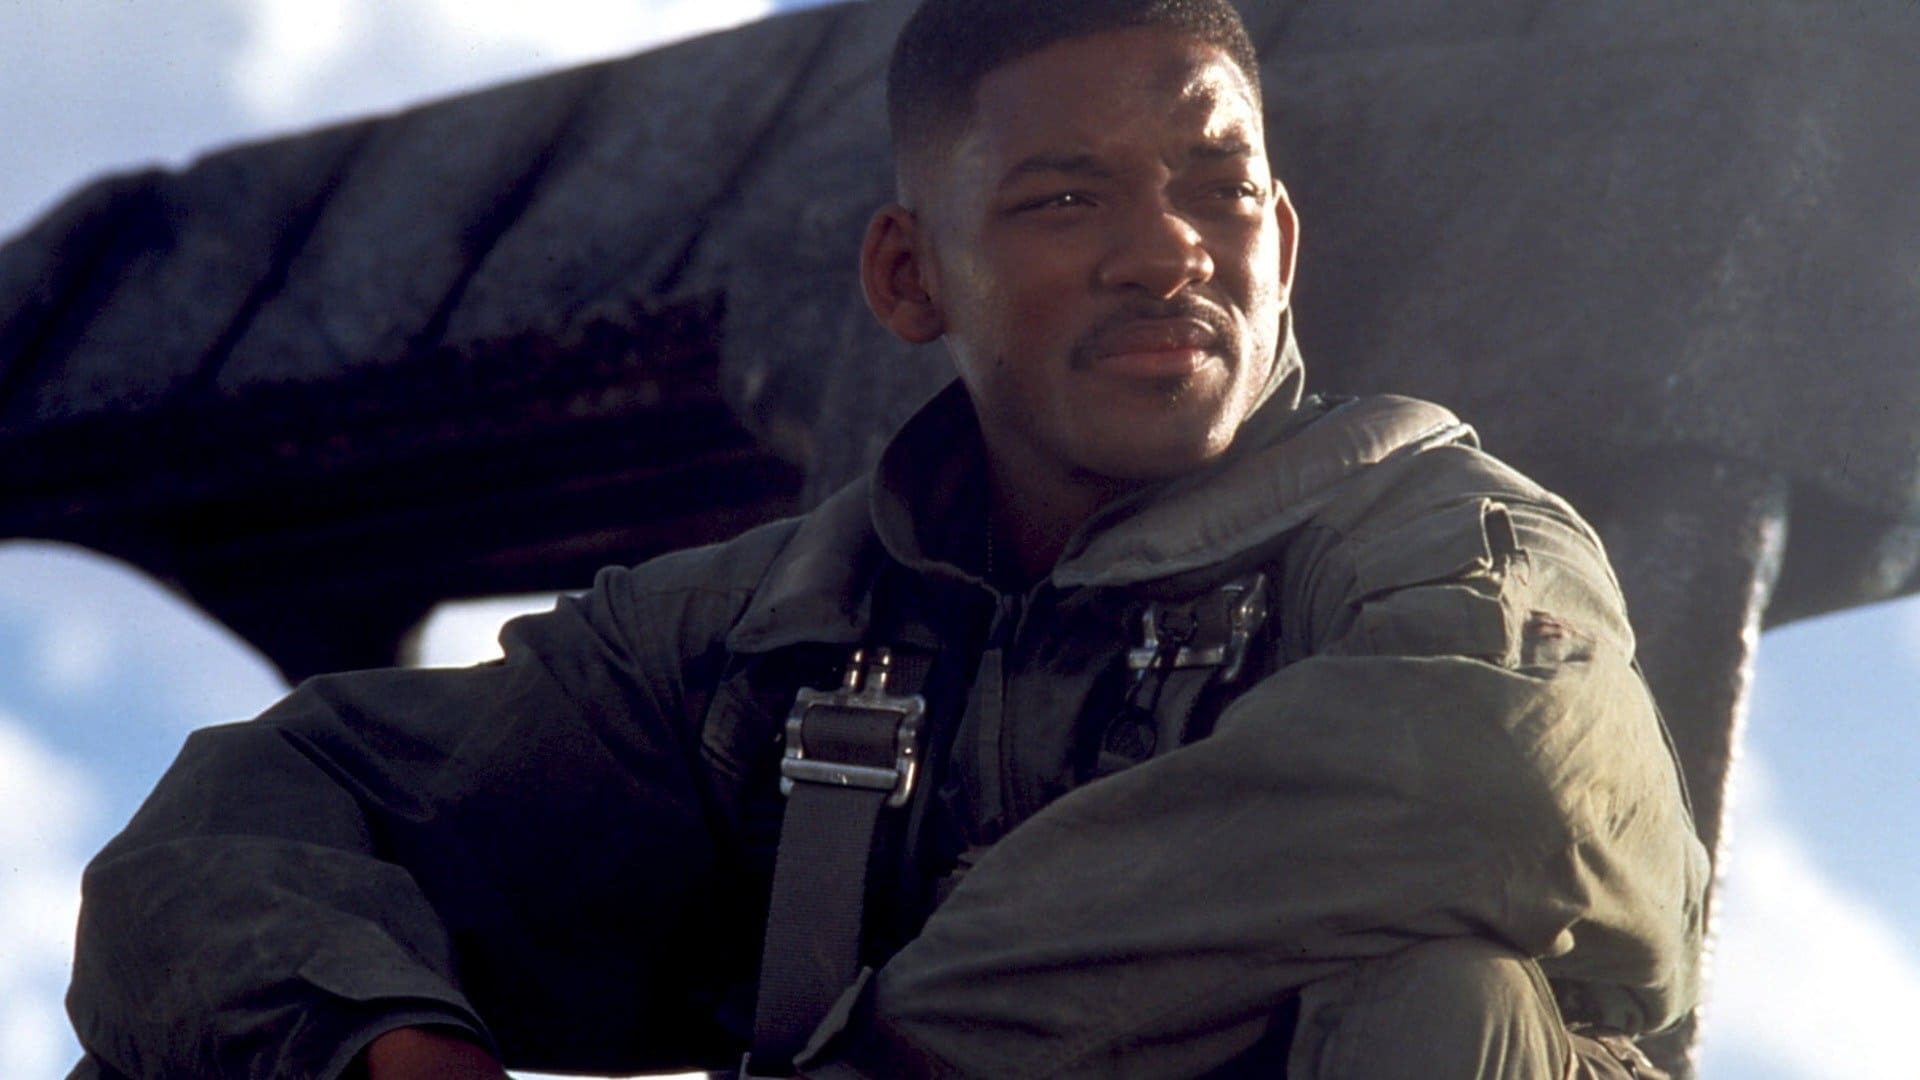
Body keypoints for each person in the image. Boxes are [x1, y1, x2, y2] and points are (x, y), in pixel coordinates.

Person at [67, 1, 1709, 1077]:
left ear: (1281, 240)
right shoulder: (770, 634)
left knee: (1439, 1001)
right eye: (1064, 198)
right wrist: (391, 1050)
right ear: (910, 278)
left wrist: (884, 1055)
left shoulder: (1450, 537)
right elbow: (262, 809)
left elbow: (1506, 784)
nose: (1167, 252)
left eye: (1216, 189)